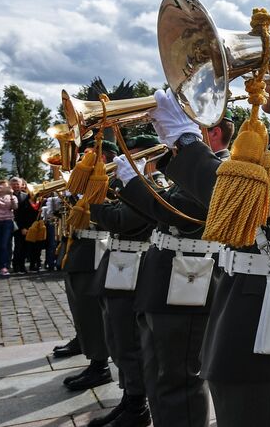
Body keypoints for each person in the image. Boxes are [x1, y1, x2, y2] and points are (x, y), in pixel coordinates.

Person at [148, 79, 270, 426]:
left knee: (257, 410)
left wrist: (186, 141)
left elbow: (242, 202)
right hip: (243, 291)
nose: (254, 81)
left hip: (268, 300)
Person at [117, 121, 233, 427]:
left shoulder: (222, 168)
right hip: (164, 276)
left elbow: (179, 213)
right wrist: (127, 185)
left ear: (214, 132)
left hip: (187, 280)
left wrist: (135, 183)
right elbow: (155, 215)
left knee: (179, 377)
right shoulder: (187, 171)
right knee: (158, 373)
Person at [85, 136, 160, 427]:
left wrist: (91, 201)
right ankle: (129, 397)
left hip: (134, 270)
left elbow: (122, 220)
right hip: (118, 266)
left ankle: (137, 405)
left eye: (133, 156)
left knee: (128, 341)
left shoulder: (153, 187)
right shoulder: (127, 187)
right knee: (115, 339)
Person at [61, 141, 118, 392]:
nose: (84, 158)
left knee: (92, 310)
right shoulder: (93, 180)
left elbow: (108, 218)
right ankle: (86, 346)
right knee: (81, 306)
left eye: (89, 154)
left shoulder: (113, 182)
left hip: (96, 249)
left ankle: (100, 365)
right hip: (80, 248)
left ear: (102, 157)